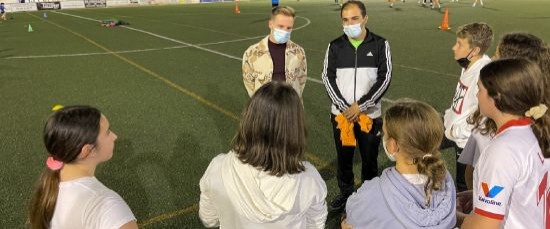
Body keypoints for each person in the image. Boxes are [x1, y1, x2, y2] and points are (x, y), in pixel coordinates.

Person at [199, 81, 328, 228]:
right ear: (295, 130)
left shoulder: (219, 168)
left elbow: (209, 219)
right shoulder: (309, 180)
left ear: (249, 120)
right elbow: (315, 225)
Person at [461, 58, 550, 228]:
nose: (476, 94)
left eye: (479, 89)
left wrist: (457, 218)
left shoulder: (503, 150)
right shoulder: (537, 130)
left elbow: (485, 226)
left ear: (496, 97)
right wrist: (477, 196)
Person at [342, 99, 456, 229]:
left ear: (392, 146)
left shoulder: (371, 194)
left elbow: (352, 216)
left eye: (384, 133)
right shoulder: (445, 183)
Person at [322, 0, 392, 211]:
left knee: (369, 158)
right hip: (341, 116)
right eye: (345, 20)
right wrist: (345, 107)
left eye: (354, 19)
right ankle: (345, 194)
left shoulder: (380, 44)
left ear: (365, 19)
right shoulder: (335, 46)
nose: (349, 23)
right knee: (344, 158)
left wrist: (361, 106)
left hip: (368, 116)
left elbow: (385, 77)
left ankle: (368, 197)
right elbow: (327, 77)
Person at [458, 32, 549, 191]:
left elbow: (471, 175)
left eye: (496, 56)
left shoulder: (498, 131)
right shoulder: (488, 117)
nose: (491, 60)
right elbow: (471, 173)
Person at [27, 106, 137, 229]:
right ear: (87, 150)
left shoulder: (50, 188)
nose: (114, 136)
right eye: (107, 132)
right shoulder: (107, 205)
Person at [442, 22, 493, 192]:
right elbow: (461, 102)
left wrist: (458, 132)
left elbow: (483, 114)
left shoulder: (483, 74)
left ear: (475, 51)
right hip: (456, 133)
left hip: (467, 141)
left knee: (465, 187)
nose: (453, 47)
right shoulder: (468, 66)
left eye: (460, 44)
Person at [242, 6, 307, 99]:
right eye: (280, 26)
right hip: (263, 108)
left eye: (289, 28)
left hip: (291, 107)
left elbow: (302, 80)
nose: (285, 31)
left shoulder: (299, 52)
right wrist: (260, 102)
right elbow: (249, 82)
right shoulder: (252, 52)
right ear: (270, 24)